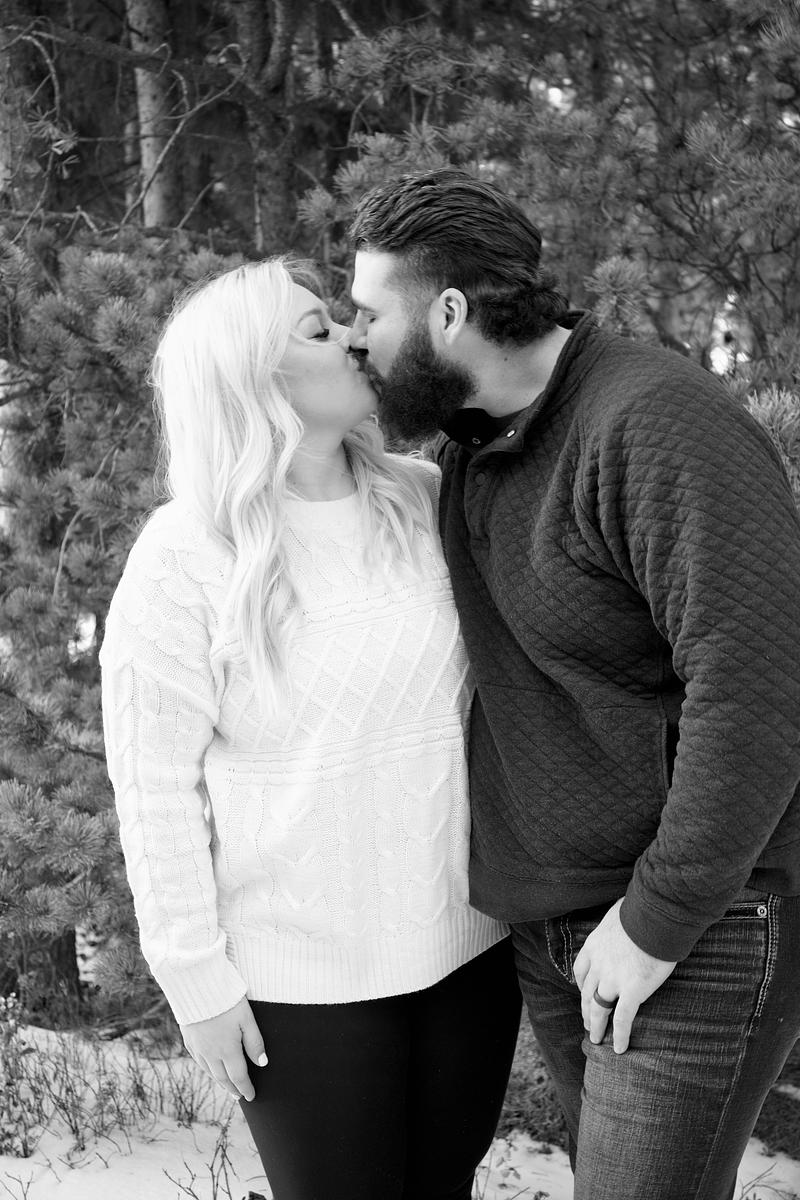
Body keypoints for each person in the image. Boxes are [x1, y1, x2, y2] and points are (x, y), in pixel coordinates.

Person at [347, 168, 800, 1200]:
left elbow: (758, 689)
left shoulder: (653, 421)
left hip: (697, 921)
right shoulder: (472, 445)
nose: (357, 337)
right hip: (558, 926)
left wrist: (656, 920)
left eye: (370, 313)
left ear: (448, 314)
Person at [99, 257, 521, 1200]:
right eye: (318, 330)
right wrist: (194, 981)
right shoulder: (184, 556)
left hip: (467, 952)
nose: (356, 337)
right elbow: (155, 786)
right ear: (254, 377)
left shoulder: (426, 497)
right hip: (301, 983)